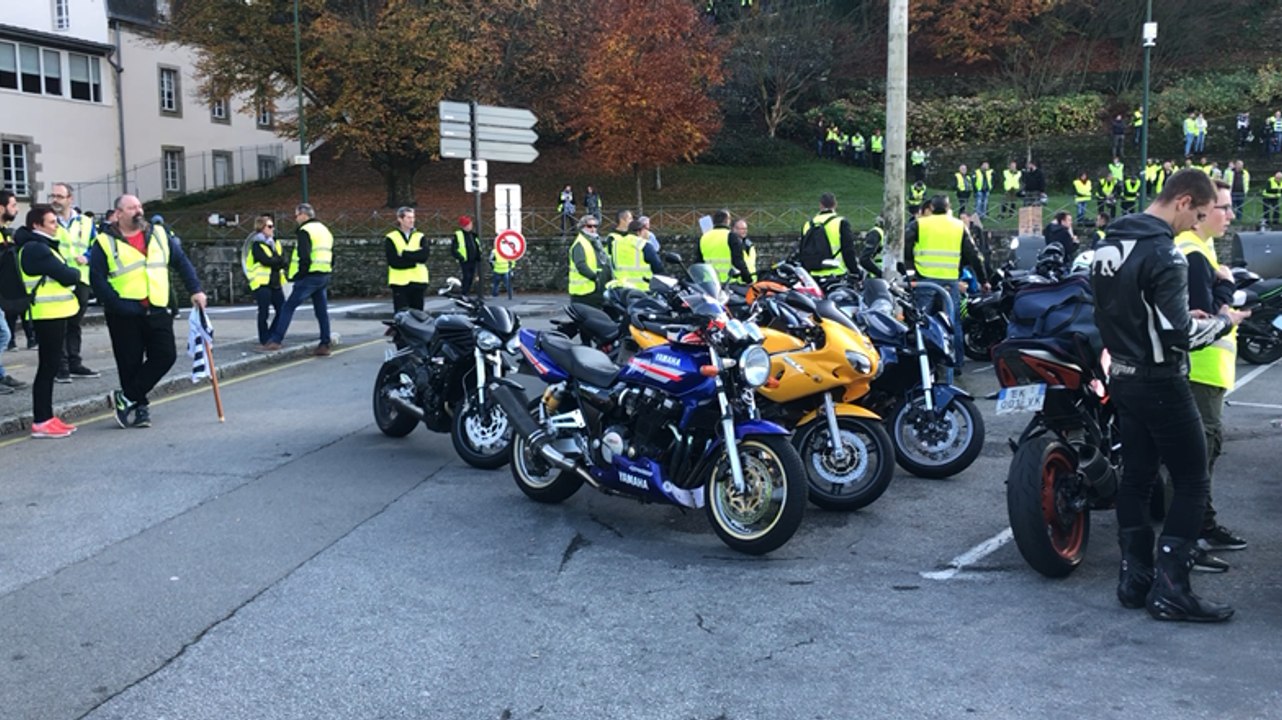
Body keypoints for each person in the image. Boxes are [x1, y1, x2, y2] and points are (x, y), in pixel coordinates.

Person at [1093, 169, 1245, 622]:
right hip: (1161, 380)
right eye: (1198, 213)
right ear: (1182, 201)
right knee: (1193, 480)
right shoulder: (1165, 253)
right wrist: (1224, 321)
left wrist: (1175, 318)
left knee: (1136, 476)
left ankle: (1134, 577)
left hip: (1123, 374)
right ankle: (1172, 588)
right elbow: (1180, 335)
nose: (1194, 224)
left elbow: (1125, 309)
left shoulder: (1108, 243)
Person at [1175, 180, 1249, 574]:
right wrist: (1227, 287)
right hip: (1199, 372)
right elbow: (1202, 315)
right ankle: (1191, 538)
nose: (1230, 215)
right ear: (1201, 211)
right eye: (1224, 207)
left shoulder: (1202, 251)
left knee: (1201, 457)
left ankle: (1201, 525)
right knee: (1198, 459)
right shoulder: (1193, 253)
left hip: (1207, 372)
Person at [89, 195, 207, 428]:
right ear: (119, 213)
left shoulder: (159, 235)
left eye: (140, 206)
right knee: (129, 362)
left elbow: (181, 262)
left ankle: (127, 397)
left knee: (165, 355)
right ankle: (140, 408)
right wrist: (118, 304)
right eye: (132, 207)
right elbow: (97, 279)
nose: (138, 211)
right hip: (124, 312)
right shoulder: (104, 241)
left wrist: (195, 289)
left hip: (157, 307)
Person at [16, 206, 81, 437]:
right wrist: (73, 273)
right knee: (48, 367)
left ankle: (47, 416)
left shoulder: (38, 246)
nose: (56, 226)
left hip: (52, 313)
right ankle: (42, 420)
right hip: (47, 313)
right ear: (37, 225)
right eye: (52, 222)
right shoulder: (37, 249)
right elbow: (67, 275)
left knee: (50, 365)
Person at [905, 195, 986, 373]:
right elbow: (974, 255)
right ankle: (956, 363)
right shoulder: (959, 226)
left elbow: (905, 248)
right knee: (953, 322)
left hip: (925, 279)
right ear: (949, 208)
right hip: (950, 280)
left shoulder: (920, 224)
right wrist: (983, 280)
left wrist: (910, 274)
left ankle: (922, 363)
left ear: (932, 208)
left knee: (921, 320)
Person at [260, 203, 333, 356]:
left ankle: (276, 340)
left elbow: (304, 256)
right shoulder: (325, 230)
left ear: (304, 215)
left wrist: (300, 274)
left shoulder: (305, 231)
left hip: (309, 277)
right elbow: (333, 253)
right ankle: (325, 343)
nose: (296, 218)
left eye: (297, 215)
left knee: (288, 307)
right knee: (321, 311)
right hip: (324, 274)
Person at [48, 183, 99, 383]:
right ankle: (61, 366)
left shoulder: (85, 222)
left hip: (80, 277)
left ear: (70, 199)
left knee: (75, 323)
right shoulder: (49, 221)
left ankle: (74, 362)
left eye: (59, 196)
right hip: (58, 279)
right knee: (61, 323)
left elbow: (96, 245)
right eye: (53, 196)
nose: (55, 200)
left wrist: (87, 256)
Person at [242, 214, 287, 346]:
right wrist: (277, 261)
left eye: (272, 226)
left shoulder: (276, 243)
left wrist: (277, 261)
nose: (272, 229)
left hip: (275, 282)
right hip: (262, 283)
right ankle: (264, 338)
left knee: (282, 310)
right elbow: (266, 260)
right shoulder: (257, 245)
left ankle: (273, 334)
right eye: (269, 226)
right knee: (264, 312)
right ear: (262, 228)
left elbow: (284, 259)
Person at [2, 189, 36, 356]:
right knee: (4, 334)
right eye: (13, 205)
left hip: (12, 288)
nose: (16, 209)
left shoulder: (7, 232)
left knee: (4, 334)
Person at [800, 193, 858, 279]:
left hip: (813, 275)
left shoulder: (807, 225)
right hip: (837, 273)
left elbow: (802, 251)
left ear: (820, 205)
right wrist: (855, 271)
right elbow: (848, 250)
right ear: (835, 204)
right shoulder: (840, 222)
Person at [384, 207, 429, 312]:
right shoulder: (391, 237)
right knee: (402, 316)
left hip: (419, 281)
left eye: (413, 217)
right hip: (399, 283)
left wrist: (404, 253)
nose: (412, 220)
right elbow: (394, 262)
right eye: (408, 217)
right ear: (400, 219)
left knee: (418, 316)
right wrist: (414, 260)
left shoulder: (420, 236)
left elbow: (423, 256)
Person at [696, 208, 752, 283]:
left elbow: (699, 262)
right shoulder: (731, 236)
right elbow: (738, 261)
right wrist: (748, 279)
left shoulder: (704, 237)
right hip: (728, 283)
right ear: (727, 220)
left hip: (710, 283)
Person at [567, 215, 611, 308]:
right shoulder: (580, 243)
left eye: (595, 226)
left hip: (595, 290)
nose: (593, 229)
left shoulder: (595, 242)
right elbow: (580, 265)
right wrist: (595, 277)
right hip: (584, 292)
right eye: (589, 226)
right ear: (582, 227)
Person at [610, 218, 664, 291]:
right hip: (642, 288)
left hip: (621, 288)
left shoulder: (616, 244)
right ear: (640, 231)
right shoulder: (644, 245)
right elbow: (658, 267)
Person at [452, 215, 480, 295]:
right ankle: (464, 292)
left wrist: (478, 255)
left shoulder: (473, 235)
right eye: (468, 224)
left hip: (473, 259)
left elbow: (477, 245)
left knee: (471, 277)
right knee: (466, 277)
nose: (470, 226)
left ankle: (466, 292)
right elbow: (454, 249)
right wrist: (460, 257)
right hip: (465, 260)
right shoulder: (458, 235)